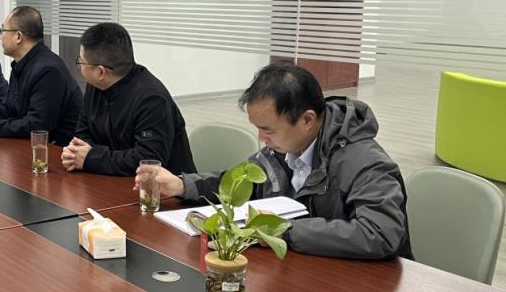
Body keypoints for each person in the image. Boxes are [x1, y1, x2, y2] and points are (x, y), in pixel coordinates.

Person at [140, 61, 412, 260]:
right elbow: (239, 181)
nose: (261, 138)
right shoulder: (283, 148)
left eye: (267, 130)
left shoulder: (365, 162)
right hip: (303, 272)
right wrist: (182, 185)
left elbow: (381, 233)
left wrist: (284, 231)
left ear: (307, 119)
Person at [63, 22, 195, 176]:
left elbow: (149, 160)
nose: (79, 66)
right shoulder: (95, 87)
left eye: (81, 61)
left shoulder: (152, 100)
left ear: (100, 72)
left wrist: (91, 157)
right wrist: (78, 154)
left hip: (163, 188)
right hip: (110, 180)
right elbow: (82, 134)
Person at [0, 6, 81, 145]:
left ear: (18, 36)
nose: (0, 36)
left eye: (3, 31)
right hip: (31, 145)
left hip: (57, 150)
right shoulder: (22, 63)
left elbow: (38, 126)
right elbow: (8, 108)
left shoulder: (48, 70)